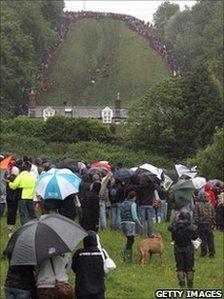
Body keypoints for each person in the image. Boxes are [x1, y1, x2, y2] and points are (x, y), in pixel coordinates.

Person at [72, 231, 105, 299]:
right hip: (99, 291)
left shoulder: (79, 253)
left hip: (82, 290)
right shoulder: (101, 253)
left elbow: (74, 267)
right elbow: (105, 268)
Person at [168, 212, 198, 288]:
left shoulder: (175, 226)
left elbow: (170, 228)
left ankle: (182, 284)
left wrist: (175, 221)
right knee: (190, 267)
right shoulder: (191, 226)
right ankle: (190, 285)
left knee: (180, 267)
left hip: (178, 248)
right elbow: (195, 237)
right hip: (189, 248)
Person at [6, 161, 37, 225]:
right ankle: (35, 224)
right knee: (32, 213)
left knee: (23, 214)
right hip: (31, 197)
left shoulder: (20, 176)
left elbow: (14, 186)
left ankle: (24, 226)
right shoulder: (32, 176)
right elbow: (36, 185)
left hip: (22, 197)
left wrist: (9, 182)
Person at [120, 190, 143, 263]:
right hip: (130, 223)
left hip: (123, 222)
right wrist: (140, 225)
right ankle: (127, 258)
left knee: (128, 240)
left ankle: (126, 256)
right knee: (130, 241)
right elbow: (134, 216)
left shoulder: (123, 203)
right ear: (134, 197)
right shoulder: (133, 204)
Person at [193, 193, 216, 258]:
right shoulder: (210, 204)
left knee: (202, 238)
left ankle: (204, 252)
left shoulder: (197, 205)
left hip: (201, 223)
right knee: (210, 239)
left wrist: (195, 223)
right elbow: (213, 214)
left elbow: (196, 215)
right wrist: (213, 223)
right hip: (209, 223)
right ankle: (212, 253)